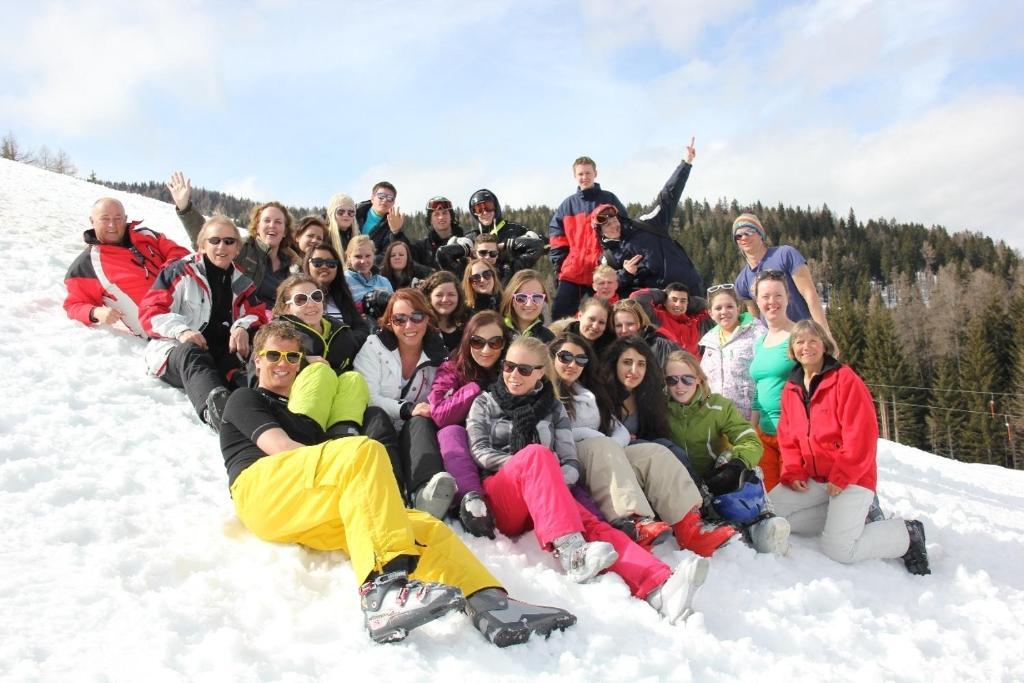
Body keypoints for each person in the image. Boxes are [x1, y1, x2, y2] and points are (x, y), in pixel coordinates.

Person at [220, 320, 577, 646]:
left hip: (302, 505)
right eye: (273, 355)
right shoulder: (246, 398)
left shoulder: (302, 417)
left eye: (291, 356)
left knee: (421, 525)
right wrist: (343, 460)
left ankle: (492, 605)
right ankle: (383, 592)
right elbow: (281, 451)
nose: (283, 363)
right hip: (260, 491)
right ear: (257, 359)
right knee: (362, 451)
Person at [467, 336, 711, 623]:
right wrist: (535, 470)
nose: (512, 375)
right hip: (503, 494)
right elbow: (480, 452)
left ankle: (660, 585)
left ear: (541, 373)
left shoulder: (553, 408)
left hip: (544, 495)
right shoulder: (485, 403)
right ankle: (572, 553)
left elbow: (570, 461)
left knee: (594, 526)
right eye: (508, 366)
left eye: (523, 369)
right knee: (537, 455)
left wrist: (550, 477)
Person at [771, 320, 930, 574]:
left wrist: (843, 474)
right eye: (799, 342)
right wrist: (793, 470)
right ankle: (845, 518)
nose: (806, 347)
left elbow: (861, 435)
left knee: (839, 549)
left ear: (824, 345)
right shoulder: (792, 387)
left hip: (851, 477)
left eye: (813, 340)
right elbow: (788, 436)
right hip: (814, 477)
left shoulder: (844, 380)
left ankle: (907, 534)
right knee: (773, 514)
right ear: (792, 349)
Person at [552, 333, 729, 555]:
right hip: (569, 458)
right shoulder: (546, 390)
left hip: (603, 454)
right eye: (565, 357)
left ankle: (689, 527)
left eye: (581, 359)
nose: (573, 364)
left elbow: (617, 428)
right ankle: (634, 522)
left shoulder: (587, 393)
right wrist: (594, 436)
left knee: (655, 452)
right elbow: (552, 430)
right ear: (551, 357)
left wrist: (611, 444)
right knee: (603, 447)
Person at [602, 335, 738, 554]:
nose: (634, 370)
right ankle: (702, 510)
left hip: (639, 463)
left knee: (665, 447)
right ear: (614, 363)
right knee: (661, 449)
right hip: (609, 466)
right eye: (627, 362)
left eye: (641, 364)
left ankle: (692, 524)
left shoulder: (647, 398)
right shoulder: (600, 395)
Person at [139, 216, 269, 431]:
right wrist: (182, 331)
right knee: (192, 351)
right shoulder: (180, 272)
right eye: (214, 240)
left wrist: (241, 326)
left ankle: (263, 403)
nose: (221, 247)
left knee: (257, 349)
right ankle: (215, 410)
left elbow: (258, 313)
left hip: (221, 354)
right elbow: (151, 311)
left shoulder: (241, 281)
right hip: (177, 353)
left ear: (237, 248)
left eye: (229, 241)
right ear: (202, 245)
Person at [663, 350, 790, 555]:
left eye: (687, 379)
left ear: (698, 379)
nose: (679, 386)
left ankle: (763, 520)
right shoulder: (660, 410)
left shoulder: (718, 406)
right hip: (683, 486)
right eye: (672, 380)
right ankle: (714, 526)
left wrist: (737, 464)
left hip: (716, 479)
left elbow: (749, 439)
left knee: (741, 462)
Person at [353, 289, 453, 519]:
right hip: (380, 422)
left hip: (414, 427)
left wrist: (423, 410)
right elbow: (368, 395)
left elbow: (440, 394)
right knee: (375, 413)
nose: (409, 325)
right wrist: (406, 408)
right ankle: (390, 490)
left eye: (417, 317)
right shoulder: (374, 347)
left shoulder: (438, 355)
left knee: (422, 421)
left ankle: (424, 491)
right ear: (389, 322)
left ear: (427, 318)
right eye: (400, 319)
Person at [428, 311, 511, 537]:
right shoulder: (453, 368)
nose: (486, 350)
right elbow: (439, 414)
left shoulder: (512, 370)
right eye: (478, 341)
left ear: (504, 344)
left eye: (495, 342)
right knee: (450, 431)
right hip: (463, 442)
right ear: (467, 341)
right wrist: (474, 389)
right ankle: (473, 505)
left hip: (500, 442)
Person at [167, 172, 300, 306]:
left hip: (277, 322)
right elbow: (210, 238)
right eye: (266, 220)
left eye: (278, 222)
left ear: (285, 231)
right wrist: (185, 208)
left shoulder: (293, 264)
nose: (272, 225)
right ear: (257, 227)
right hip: (239, 318)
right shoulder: (242, 247)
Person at [64, 197, 189, 336]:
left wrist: (168, 271)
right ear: (92, 221)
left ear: (125, 219)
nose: (112, 225)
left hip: (195, 306)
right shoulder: (87, 265)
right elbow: (73, 305)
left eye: (118, 218)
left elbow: (182, 254)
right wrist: (95, 312)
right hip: (162, 330)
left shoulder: (147, 235)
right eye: (105, 219)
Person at [731, 213, 835, 347]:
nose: (744, 237)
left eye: (749, 231)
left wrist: (825, 335)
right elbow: (756, 321)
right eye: (738, 235)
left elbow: (809, 294)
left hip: (806, 337)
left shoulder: (785, 255)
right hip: (776, 345)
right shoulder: (741, 281)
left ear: (761, 234)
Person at [549, 156, 628, 319]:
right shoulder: (568, 205)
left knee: (605, 315)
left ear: (595, 173)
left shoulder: (609, 199)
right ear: (575, 176)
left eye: (588, 173)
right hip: (574, 270)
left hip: (602, 270)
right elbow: (556, 236)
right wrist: (560, 264)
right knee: (559, 313)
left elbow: (624, 227)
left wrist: (616, 256)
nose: (584, 177)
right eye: (580, 174)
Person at [748, 271, 797, 492]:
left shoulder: (799, 336)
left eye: (778, 295)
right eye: (765, 296)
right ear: (757, 301)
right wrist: (751, 431)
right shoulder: (760, 342)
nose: (772, 302)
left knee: (793, 497)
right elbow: (759, 392)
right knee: (772, 500)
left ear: (788, 297)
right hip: (765, 436)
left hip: (793, 437)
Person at [438, 189, 544, 280]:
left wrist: (508, 244)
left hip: (508, 282)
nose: (484, 212)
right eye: (479, 209)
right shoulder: (471, 237)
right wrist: (466, 249)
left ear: (496, 207)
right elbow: (443, 254)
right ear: (474, 212)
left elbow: (542, 244)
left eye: (488, 206)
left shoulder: (514, 230)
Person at [272, 274, 367, 373]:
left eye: (316, 296)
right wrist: (303, 362)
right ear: (286, 307)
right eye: (300, 299)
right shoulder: (276, 333)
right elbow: (264, 365)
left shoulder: (342, 332)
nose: (311, 304)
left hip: (338, 386)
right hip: (294, 387)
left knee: (354, 379)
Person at [699, 284, 765, 421]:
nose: (724, 312)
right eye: (718, 308)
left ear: (738, 308)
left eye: (729, 306)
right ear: (710, 313)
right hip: (716, 420)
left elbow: (763, 378)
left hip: (747, 419)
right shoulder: (709, 342)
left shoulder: (757, 334)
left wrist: (755, 419)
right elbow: (704, 382)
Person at [300, 243, 367, 335]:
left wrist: (350, 342)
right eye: (317, 262)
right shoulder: (297, 296)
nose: (324, 266)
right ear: (307, 264)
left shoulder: (343, 295)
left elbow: (361, 329)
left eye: (331, 263)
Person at [629, 283, 711, 357]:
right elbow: (637, 298)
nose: (678, 304)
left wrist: (689, 301)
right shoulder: (656, 317)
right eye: (674, 300)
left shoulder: (695, 321)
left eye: (683, 301)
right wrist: (662, 294)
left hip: (695, 369)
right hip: (666, 368)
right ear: (664, 301)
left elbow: (709, 306)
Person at [611, 299, 679, 369]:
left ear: (641, 322)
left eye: (630, 324)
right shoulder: (612, 351)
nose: (624, 330)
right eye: (619, 325)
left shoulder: (663, 347)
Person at [355, 181, 409, 258]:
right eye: (381, 196)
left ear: (393, 202)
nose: (385, 200)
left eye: (390, 198)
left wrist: (396, 232)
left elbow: (392, 254)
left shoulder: (395, 222)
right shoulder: (353, 213)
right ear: (372, 198)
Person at [419, 270, 470, 352]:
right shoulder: (420, 326)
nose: (445, 299)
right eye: (439, 295)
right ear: (429, 297)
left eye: (451, 294)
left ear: (459, 297)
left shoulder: (469, 323)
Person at [500, 270, 554, 342]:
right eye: (521, 298)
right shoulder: (497, 331)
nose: (529, 304)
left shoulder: (549, 339)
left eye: (537, 297)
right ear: (511, 300)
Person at [412, 196, 463, 269]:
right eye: (436, 214)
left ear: (451, 216)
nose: (441, 217)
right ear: (430, 220)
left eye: (445, 213)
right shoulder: (421, 248)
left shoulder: (464, 241)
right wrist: (396, 233)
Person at [344, 235, 394, 306]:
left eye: (368, 256)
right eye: (358, 256)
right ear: (349, 257)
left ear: (374, 255)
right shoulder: (343, 280)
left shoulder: (384, 282)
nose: (363, 261)